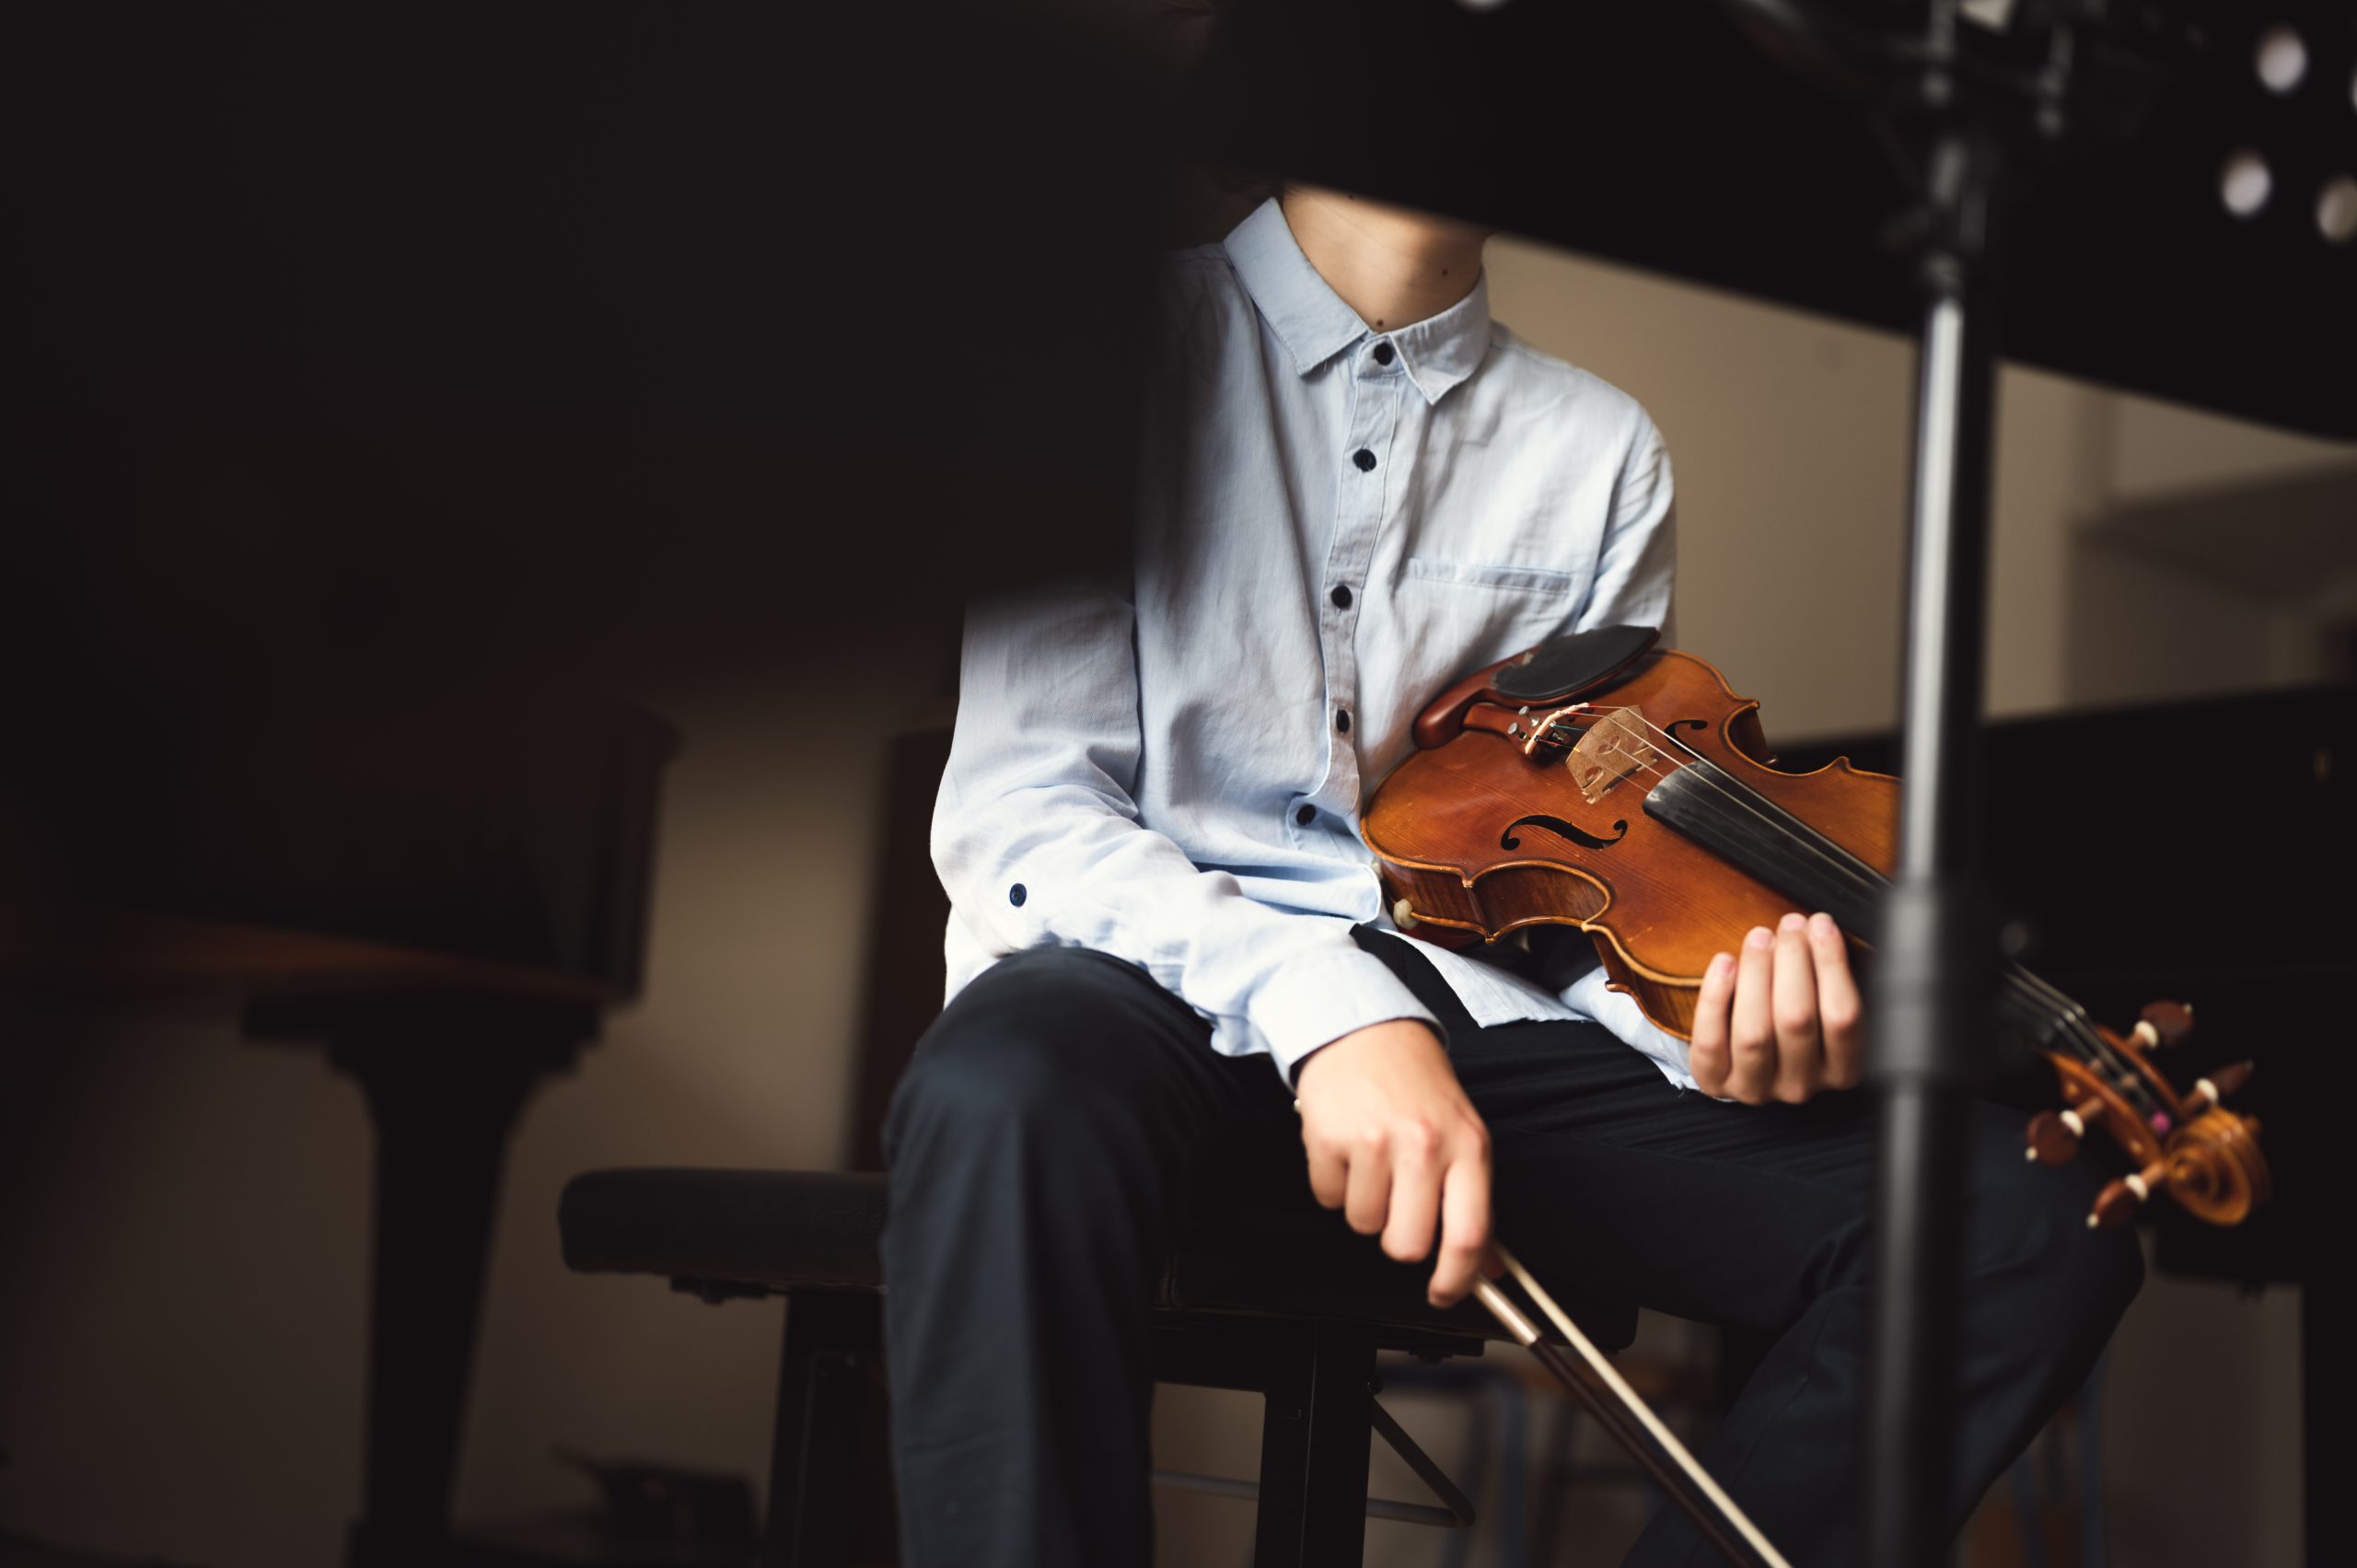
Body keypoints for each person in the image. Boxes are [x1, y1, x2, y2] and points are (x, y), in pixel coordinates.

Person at [879, 187, 2139, 1567]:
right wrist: (1334, 1008)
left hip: (1475, 1030)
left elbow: (1572, 888)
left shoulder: (1599, 449)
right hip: (1144, 990)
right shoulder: (1094, 348)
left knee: (2028, 1220)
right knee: (998, 1087)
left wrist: (1706, 1030)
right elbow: (1028, 810)